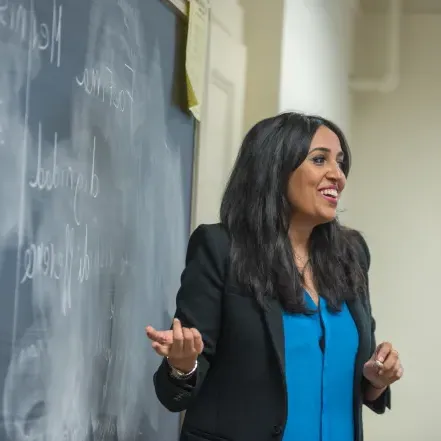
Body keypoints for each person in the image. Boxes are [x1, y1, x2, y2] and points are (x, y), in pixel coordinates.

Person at [146, 112, 403, 441]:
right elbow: (175, 394)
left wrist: (376, 379)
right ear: (276, 167)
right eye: (320, 160)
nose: (337, 175)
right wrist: (183, 365)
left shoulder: (351, 254)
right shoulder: (222, 249)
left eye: (340, 163)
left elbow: (353, 372)